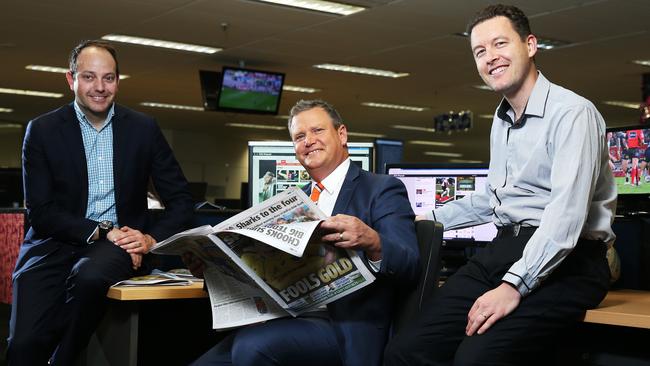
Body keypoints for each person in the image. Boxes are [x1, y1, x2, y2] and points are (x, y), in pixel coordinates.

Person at [384, 4, 616, 366]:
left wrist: (512, 287)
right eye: (480, 51)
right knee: (406, 351)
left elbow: (565, 219)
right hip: (505, 249)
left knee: (476, 358)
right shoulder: (502, 119)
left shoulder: (573, 114)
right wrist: (420, 219)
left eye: (499, 44)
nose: (490, 57)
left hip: (570, 260)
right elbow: (493, 199)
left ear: (531, 45)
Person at [190, 99, 419, 366]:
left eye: (317, 131)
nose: (308, 141)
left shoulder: (381, 189)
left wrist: (373, 241)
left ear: (342, 135)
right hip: (286, 317)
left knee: (252, 347)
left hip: (344, 325)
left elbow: (410, 262)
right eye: (299, 136)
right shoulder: (289, 201)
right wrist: (212, 267)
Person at [8, 40, 194, 365]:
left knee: (90, 277)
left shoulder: (143, 129)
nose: (99, 87)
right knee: (24, 343)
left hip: (116, 246)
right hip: (53, 243)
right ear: (71, 80)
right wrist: (100, 230)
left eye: (108, 78)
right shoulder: (42, 130)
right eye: (89, 77)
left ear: (118, 82)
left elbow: (181, 200)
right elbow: (41, 211)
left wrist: (150, 239)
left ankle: (61, 360)